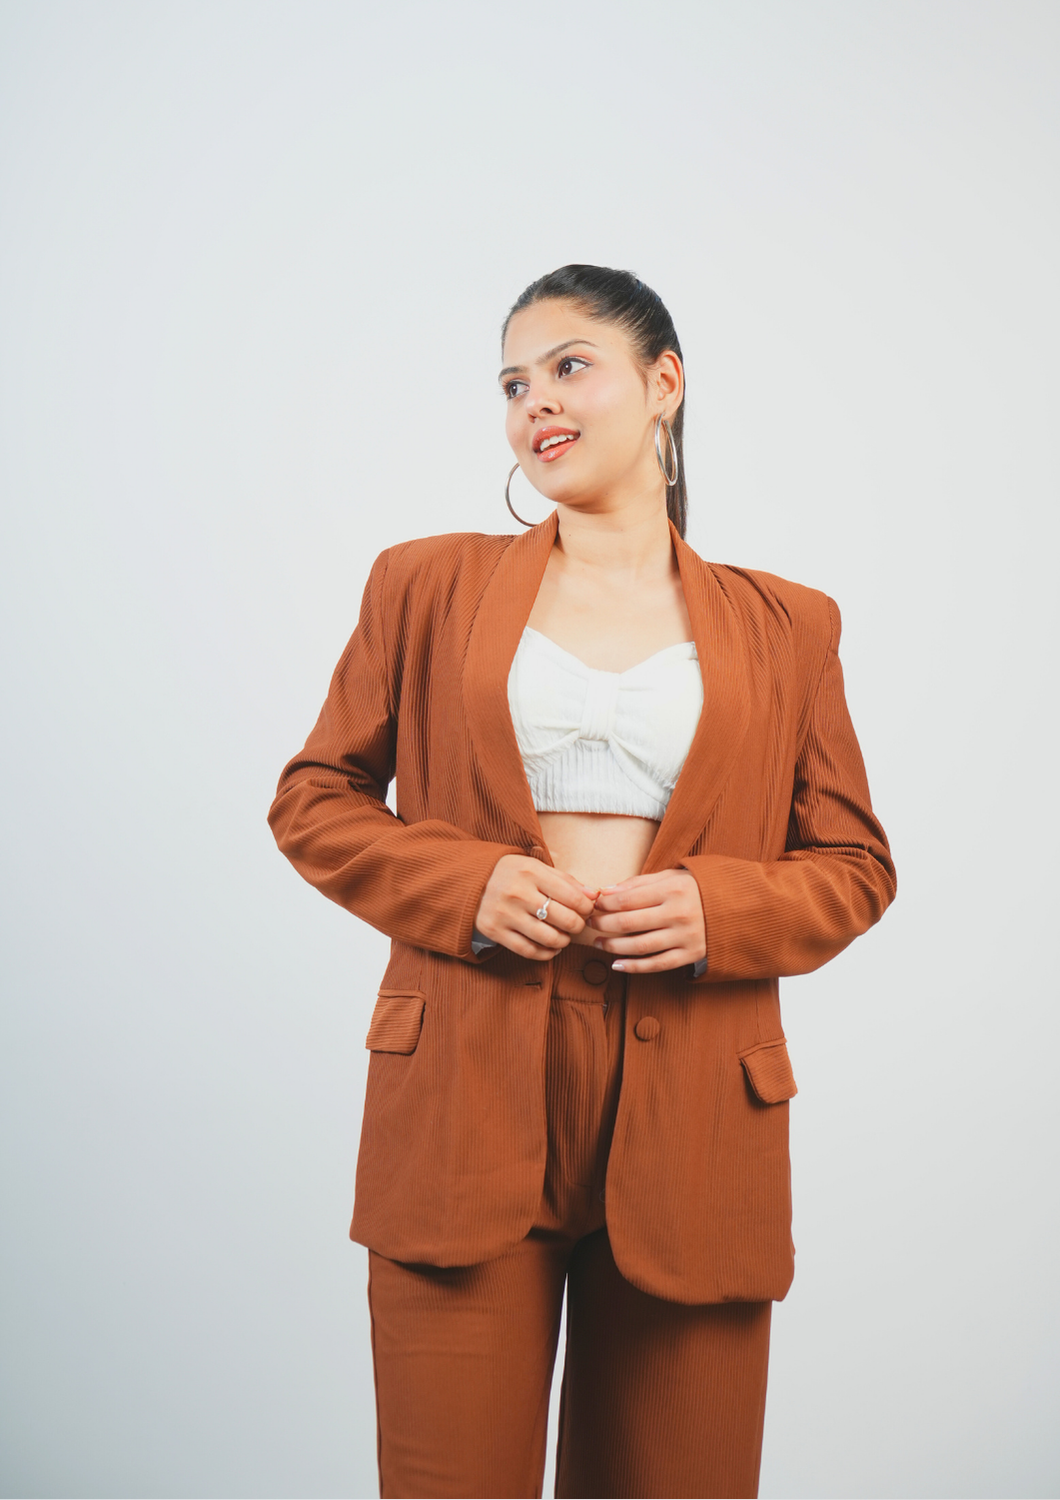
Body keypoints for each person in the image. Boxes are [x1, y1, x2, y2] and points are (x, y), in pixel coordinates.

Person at [268, 264, 896, 1499]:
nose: (534, 403)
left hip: (699, 1111)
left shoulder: (790, 625)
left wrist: (721, 909)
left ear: (664, 384)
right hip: (462, 1088)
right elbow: (314, 799)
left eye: (568, 367)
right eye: (512, 384)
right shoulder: (422, 585)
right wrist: (464, 885)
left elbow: (855, 865)